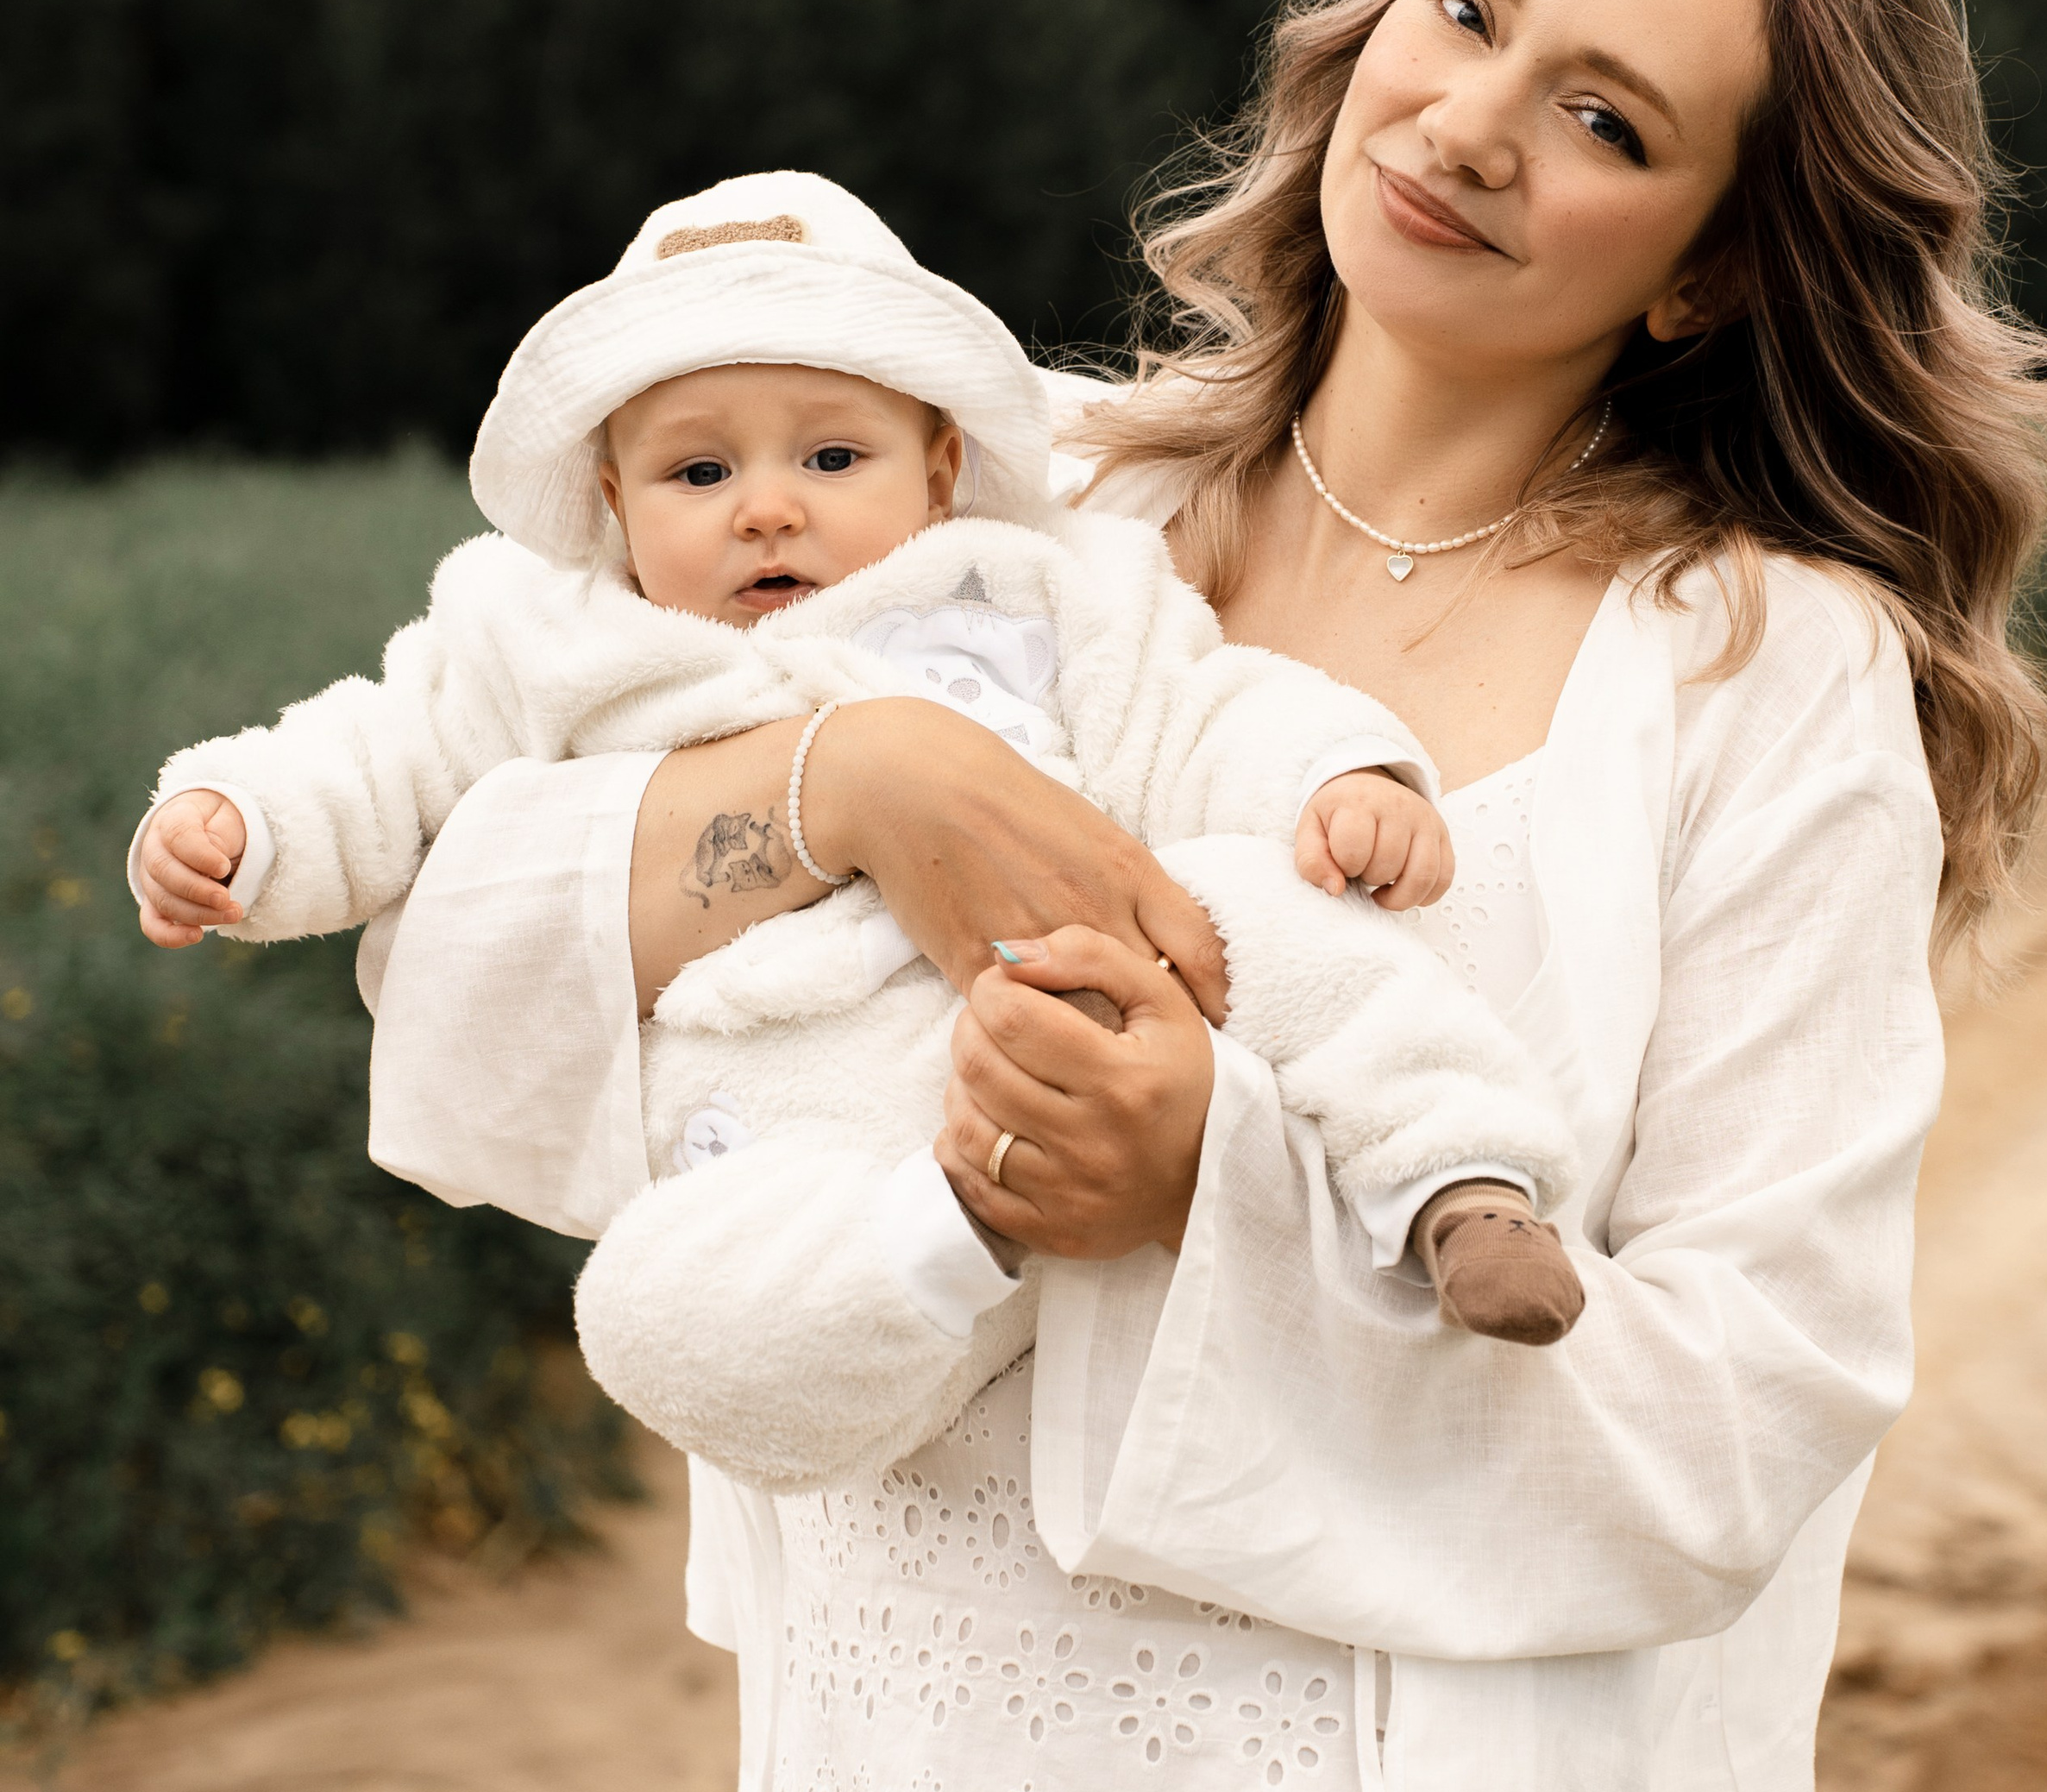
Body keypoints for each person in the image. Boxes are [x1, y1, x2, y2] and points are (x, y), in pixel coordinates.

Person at [351, 0, 2047, 1792]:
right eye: (1462, 12)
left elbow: (1744, 1414)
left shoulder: (1759, 678)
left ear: (1702, 264)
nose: (1473, 124)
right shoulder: (1009, 505)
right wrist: (861, 778)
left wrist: (1205, 1190)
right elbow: (455, 932)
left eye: (1602, 117)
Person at [126, 173, 1585, 1457]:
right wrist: (239, 819)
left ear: (940, 467)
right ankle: (959, 1233)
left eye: (832, 460)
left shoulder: (1032, 590)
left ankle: (1455, 1177)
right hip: (791, 1113)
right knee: (649, 1303)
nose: (767, 510)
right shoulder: (541, 632)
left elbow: (1202, 710)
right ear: (611, 497)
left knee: (1258, 911)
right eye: (699, 472)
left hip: (1086, 997)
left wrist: (1339, 773)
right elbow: (380, 749)